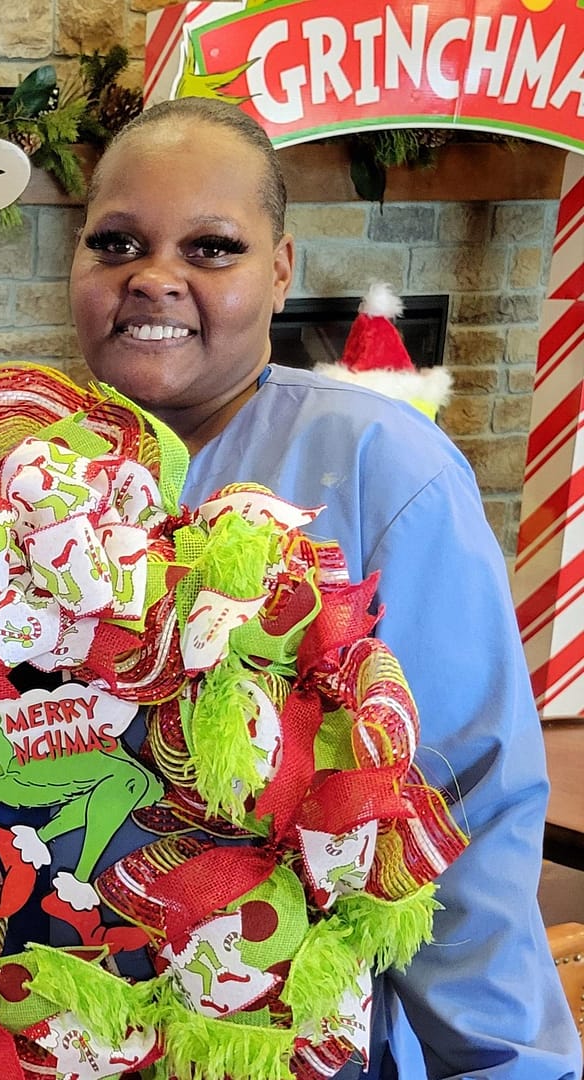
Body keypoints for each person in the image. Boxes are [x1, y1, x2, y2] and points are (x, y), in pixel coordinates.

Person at [64, 96, 582, 1079]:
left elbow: (462, 808)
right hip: (76, 1018)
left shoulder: (382, 466)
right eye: (117, 241)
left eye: (211, 248)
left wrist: (505, 1063)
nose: (155, 278)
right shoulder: (36, 474)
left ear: (281, 270)